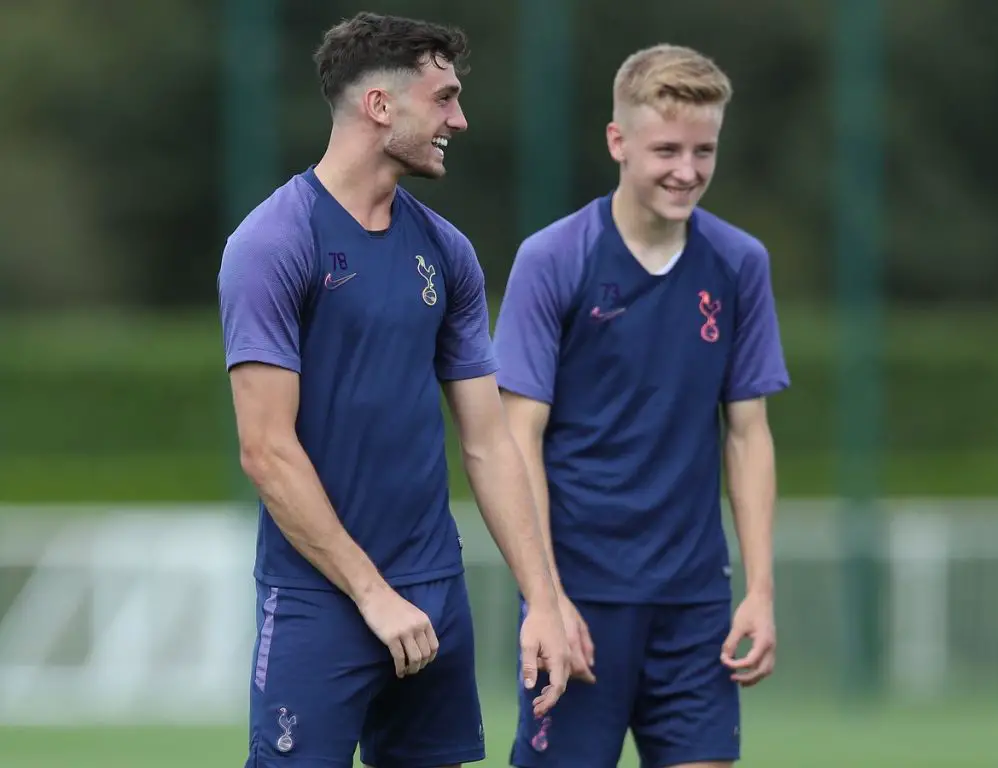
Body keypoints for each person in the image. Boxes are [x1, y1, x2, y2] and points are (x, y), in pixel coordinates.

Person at [217, 12, 569, 768]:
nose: (460, 119)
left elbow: (488, 441)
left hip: (436, 592)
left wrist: (543, 598)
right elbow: (266, 451)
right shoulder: (273, 244)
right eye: (443, 99)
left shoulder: (447, 252)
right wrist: (374, 596)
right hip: (322, 601)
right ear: (381, 106)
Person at [493, 43, 790, 768]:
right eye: (666, 149)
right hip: (578, 602)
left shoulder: (739, 263)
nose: (687, 171)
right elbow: (515, 439)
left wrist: (759, 590)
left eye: (704, 150)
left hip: (693, 606)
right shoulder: (552, 259)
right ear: (617, 142)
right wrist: (546, 599)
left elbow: (747, 435)